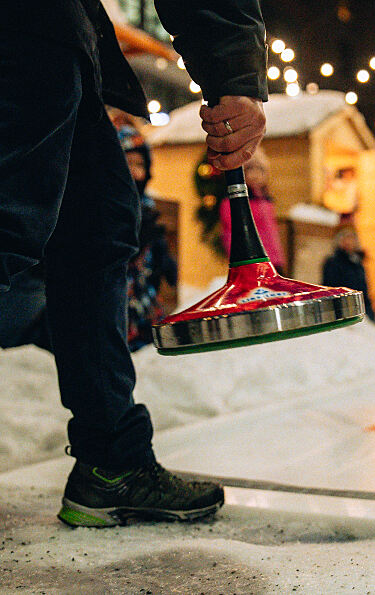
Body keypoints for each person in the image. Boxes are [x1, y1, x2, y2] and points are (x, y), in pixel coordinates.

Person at [1, 1, 267, 527]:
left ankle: (111, 464)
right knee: (12, 217)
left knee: (97, 222)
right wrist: (234, 72)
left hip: (54, 28)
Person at [115, 123, 178, 352]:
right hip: (121, 295)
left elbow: (155, 240)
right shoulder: (110, 206)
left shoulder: (147, 204)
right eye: (127, 162)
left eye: (139, 164)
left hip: (146, 292)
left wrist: (163, 256)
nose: (134, 171)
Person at [219, 146, 287, 274]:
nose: (255, 175)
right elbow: (231, 233)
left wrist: (278, 257)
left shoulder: (266, 200)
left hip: (273, 260)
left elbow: (272, 232)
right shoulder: (232, 203)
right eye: (250, 169)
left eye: (260, 170)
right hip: (249, 261)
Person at [323, 226, 375, 323]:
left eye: (351, 238)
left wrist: (371, 316)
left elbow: (364, 293)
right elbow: (330, 290)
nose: (348, 241)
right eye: (344, 238)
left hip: (360, 315)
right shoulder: (332, 263)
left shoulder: (358, 263)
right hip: (342, 316)